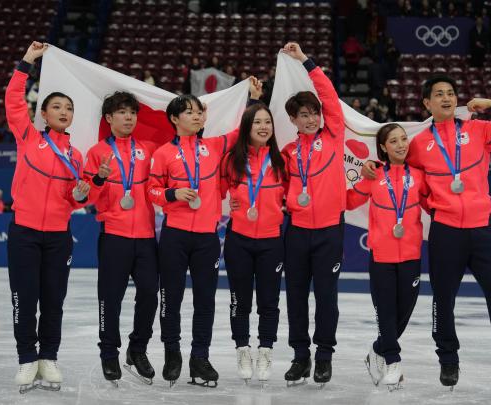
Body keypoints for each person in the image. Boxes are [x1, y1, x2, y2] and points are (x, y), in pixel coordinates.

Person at [361, 75, 491, 396]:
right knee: (444, 299)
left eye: (451, 93)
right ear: (426, 104)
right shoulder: (420, 144)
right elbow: (399, 171)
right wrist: (374, 166)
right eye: (438, 94)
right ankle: (448, 358)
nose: (446, 98)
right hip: (446, 232)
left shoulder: (479, 130)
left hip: (484, 228)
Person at [147, 79, 261, 387]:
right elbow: (152, 192)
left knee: (206, 301)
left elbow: (241, 131)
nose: (197, 117)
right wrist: (172, 194)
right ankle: (172, 353)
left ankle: (200, 357)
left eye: (200, 112)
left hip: (207, 239)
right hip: (174, 235)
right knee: (170, 297)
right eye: (189, 112)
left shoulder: (214, 146)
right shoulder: (162, 154)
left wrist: (250, 100)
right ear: (174, 119)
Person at [5, 42, 91, 394]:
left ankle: (49, 356)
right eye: (56, 106)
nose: (63, 111)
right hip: (24, 230)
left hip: (58, 235)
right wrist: (26, 62)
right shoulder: (28, 137)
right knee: (25, 297)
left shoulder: (77, 155)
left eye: (68, 108)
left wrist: (80, 196)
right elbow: (13, 100)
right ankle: (28, 358)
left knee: (54, 298)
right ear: (43, 112)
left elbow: (71, 200)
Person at [279, 43, 345, 386]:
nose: (311, 118)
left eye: (313, 113)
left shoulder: (333, 136)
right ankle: (300, 356)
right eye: (303, 114)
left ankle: (324, 357)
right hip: (297, 231)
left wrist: (306, 61)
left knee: (326, 297)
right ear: (292, 119)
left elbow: (330, 97)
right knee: (296, 297)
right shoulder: (288, 152)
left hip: (330, 230)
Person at [83, 91, 160, 385]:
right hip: (114, 235)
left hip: (145, 236)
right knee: (111, 298)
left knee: (149, 295)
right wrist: (99, 178)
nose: (129, 117)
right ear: (109, 118)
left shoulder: (149, 149)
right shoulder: (96, 152)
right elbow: (87, 197)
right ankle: (108, 352)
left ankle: (137, 349)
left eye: (132, 112)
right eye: (122, 112)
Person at [346, 123, 429, 390]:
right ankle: (393, 360)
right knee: (386, 311)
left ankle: (377, 351)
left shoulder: (419, 175)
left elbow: (434, 202)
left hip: (411, 254)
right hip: (381, 255)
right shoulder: (375, 174)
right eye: (393, 141)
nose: (401, 145)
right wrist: (363, 176)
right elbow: (349, 202)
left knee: (403, 312)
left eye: (404, 139)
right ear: (383, 147)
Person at [221, 102, 287, 383]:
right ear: (246, 128)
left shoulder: (281, 161)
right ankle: (242, 348)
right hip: (239, 239)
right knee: (240, 301)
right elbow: (217, 190)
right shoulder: (231, 160)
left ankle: (265, 349)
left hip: (272, 240)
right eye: (257, 122)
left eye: (267, 122)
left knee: (269, 302)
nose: (263, 127)